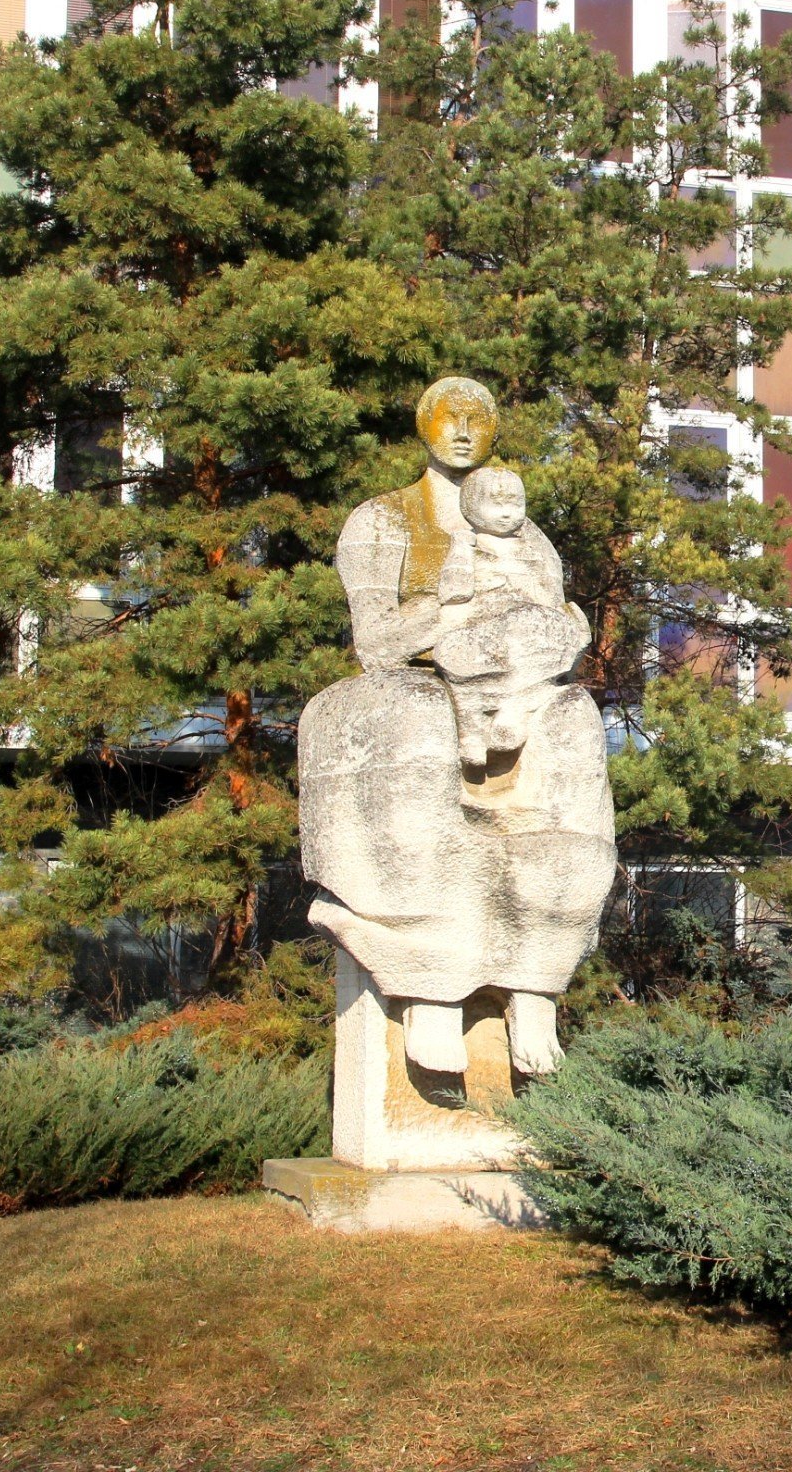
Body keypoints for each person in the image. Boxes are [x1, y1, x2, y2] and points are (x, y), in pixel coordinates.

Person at [296, 379, 615, 1079]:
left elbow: (552, 621)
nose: (464, 431)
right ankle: (428, 987)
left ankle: (535, 981)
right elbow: (376, 643)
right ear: (424, 425)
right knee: (417, 716)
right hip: (416, 676)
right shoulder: (381, 520)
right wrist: (454, 613)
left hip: (517, 681)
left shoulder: (526, 532)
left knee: (575, 722)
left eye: (479, 419)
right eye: (450, 418)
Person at [432, 465, 589, 771]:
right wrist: (462, 552)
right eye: (496, 504)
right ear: (469, 508)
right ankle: (474, 731)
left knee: (552, 633)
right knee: (459, 657)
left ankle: (513, 712)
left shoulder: (533, 551)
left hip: (530, 635)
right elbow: (454, 594)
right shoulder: (468, 547)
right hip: (487, 635)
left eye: (515, 505)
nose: (506, 513)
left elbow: (549, 597)